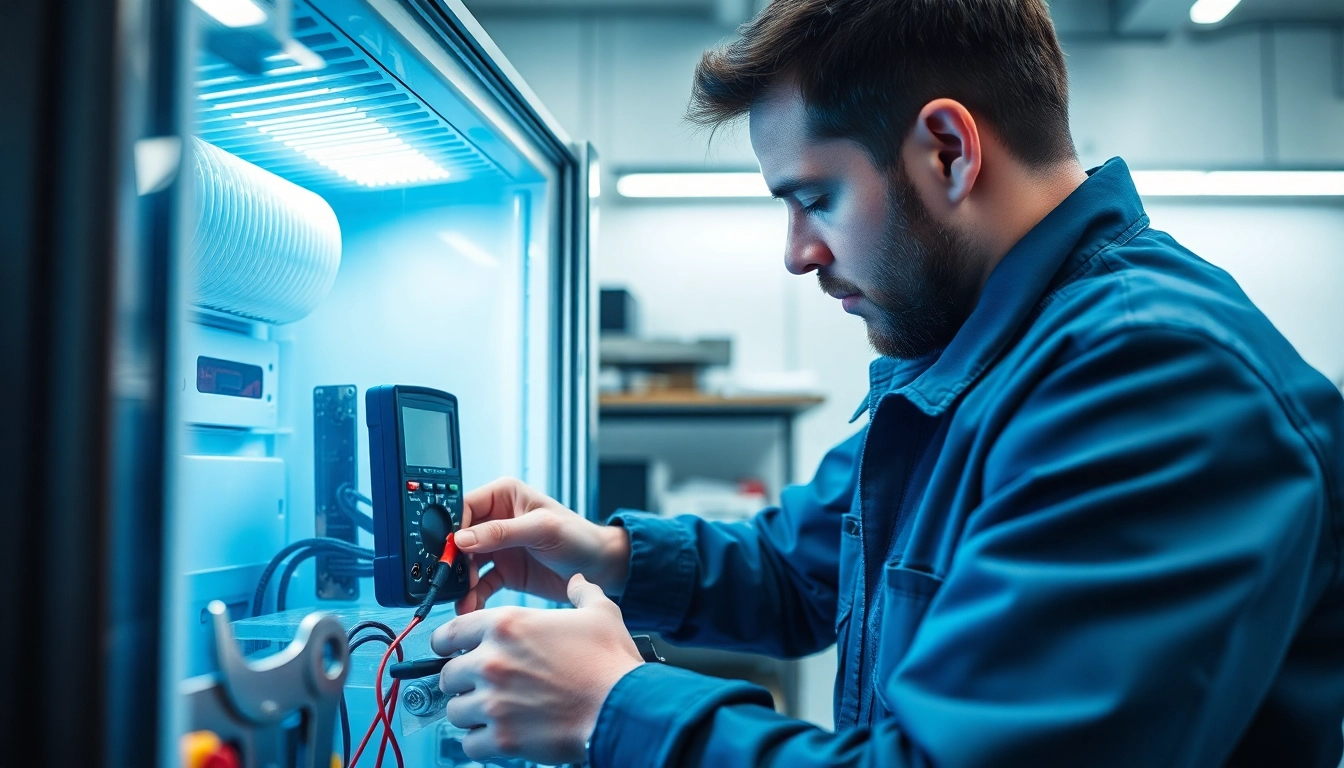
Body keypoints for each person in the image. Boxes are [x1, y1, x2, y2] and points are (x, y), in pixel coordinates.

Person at [429, 0, 1344, 765]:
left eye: (814, 198)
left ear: (949, 149)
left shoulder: (1152, 382)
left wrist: (612, 705)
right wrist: (602, 555)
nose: (797, 255)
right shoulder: (975, 352)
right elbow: (805, 566)